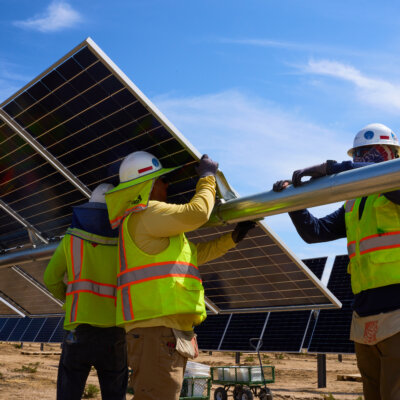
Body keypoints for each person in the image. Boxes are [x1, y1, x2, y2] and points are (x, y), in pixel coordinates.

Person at [105, 151, 255, 400]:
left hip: (161, 329)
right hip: (157, 329)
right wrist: (207, 177)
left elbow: (194, 256)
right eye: (163, 180)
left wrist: (233, 238)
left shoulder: (149, 221)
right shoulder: (147, 214)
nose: (168, 184)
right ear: (149, 183)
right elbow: (198, 213)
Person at [273, 123, 400, 399]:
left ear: (392, 154)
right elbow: (314, 232)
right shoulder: (354, 203)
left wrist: (329, 168)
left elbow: (369, 175)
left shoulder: (397, 187)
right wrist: (293, 203)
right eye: (362, 154)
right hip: (366, 318)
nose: (367, 160)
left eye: (374, 153)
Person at [44, 183, 128, 400]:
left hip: (78, 328)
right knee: (114, 393)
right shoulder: (126, 242)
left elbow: (50, 278)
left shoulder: (71, 239)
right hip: (115, 330)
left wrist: (70, 298)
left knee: (69, 393)